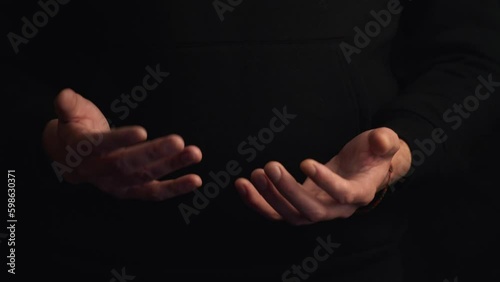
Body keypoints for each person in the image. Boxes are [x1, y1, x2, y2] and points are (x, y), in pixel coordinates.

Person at [4, 0, 500, 281]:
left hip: (352, 262)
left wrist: (401, 149)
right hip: (94, 256)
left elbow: (470, 59)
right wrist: (50, 139)